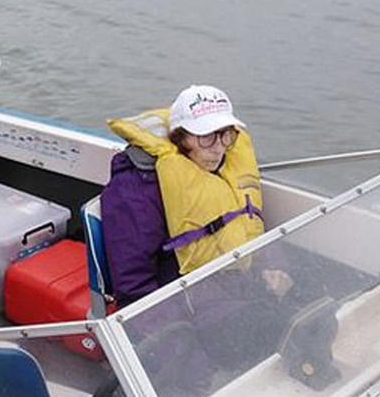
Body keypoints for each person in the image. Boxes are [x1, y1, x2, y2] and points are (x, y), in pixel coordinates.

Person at [101, 84, 284, 306]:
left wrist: (270, 269)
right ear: (181, 138)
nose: (218, 148)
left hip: (235, 286)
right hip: (187, 304)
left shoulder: (225, 171)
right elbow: (135, 288)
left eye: (226, 136)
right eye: (206, 137)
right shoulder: (134, 189)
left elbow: (246, 227)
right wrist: (177, 337)